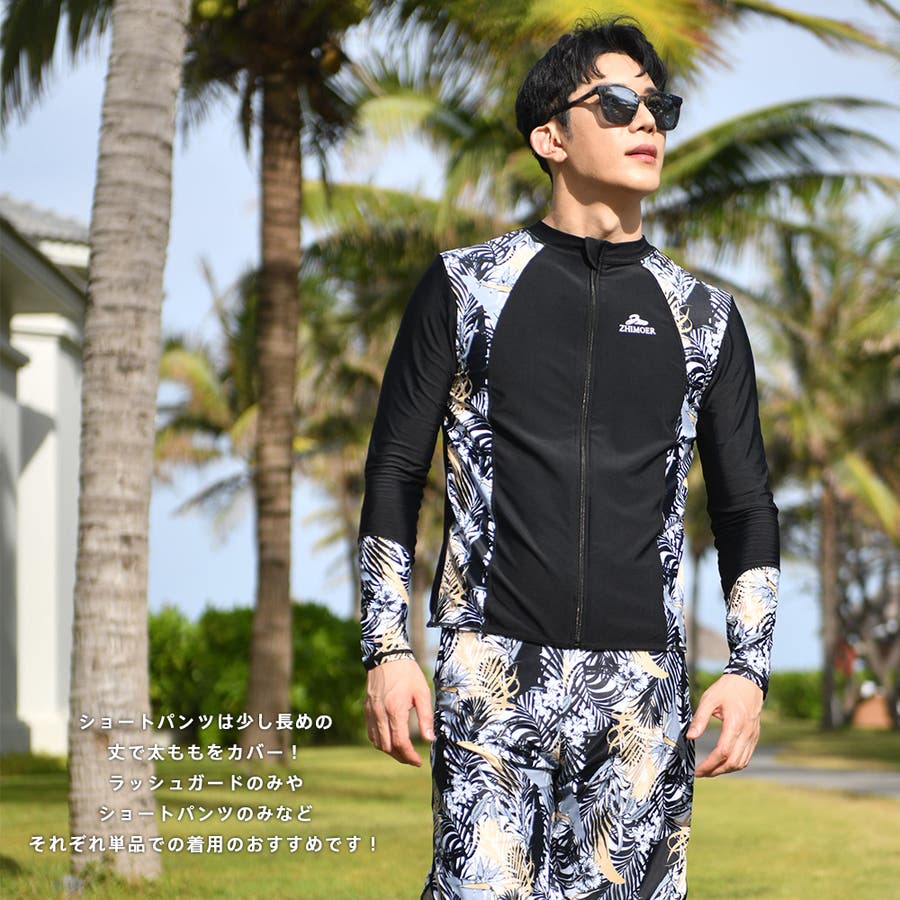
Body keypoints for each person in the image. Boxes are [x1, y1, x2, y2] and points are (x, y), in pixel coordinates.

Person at [358, 16, 779, 900]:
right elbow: (395, 471)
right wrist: (386, 646)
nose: (647, 121)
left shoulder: (704, 317)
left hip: (641, 695)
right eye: (617, 103)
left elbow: (744, 508)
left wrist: (749, 670)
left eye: (658, 105)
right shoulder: (466, 287)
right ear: (550, 138)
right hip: (492, 677)